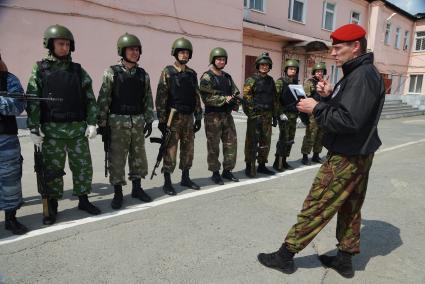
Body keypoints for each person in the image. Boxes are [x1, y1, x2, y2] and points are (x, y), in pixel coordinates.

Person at [257, 24, 385, 278]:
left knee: (317, 203)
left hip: (347, 155)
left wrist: (316, 107)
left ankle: (285, 256)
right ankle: (345, 260)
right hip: (358, 152)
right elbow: (350, 110)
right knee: (350, 206)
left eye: (338, 48)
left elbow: (349, 121)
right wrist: (329, 96)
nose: (334, 53)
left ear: (356, 46)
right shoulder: (359, 73)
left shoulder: (361, 76)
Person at [26, 24, 101, 225]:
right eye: (61, 44)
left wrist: (92, 123)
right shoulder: (40, 69)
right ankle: (52, 204)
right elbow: (33, 98)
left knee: (83, 167)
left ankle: (83, 200)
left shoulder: (77, 70)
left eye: (67, 44)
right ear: (50, 45)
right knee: (53, 171)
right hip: (52, 131)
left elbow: (89, 98)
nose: (65, 48)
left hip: (77, 129)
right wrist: (33, 127)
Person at [97, 33, 154, 209]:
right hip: (117, 122)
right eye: (131, 49)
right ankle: (118, 193)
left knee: (138, 157)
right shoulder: (111, 72)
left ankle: (137, 188)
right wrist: (102, 124)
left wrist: (149, 120)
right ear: (122, 51)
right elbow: (104, 98)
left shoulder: (143, 74)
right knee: (117, 159)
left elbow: (147, 98)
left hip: (137, 121)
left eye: (137, 49)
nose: (134, 52)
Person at [155, 37, 203, 195]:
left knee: (188, 150)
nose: (184, 55)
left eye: (187, 52)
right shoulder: (167, 72)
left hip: (188, 118)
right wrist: (162, 120)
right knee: (171, 151)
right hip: (172, 118)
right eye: (181, 52)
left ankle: (185, 177)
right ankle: (167, 181)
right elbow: (161, 97)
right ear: (175, 53)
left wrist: (199, 116)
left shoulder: (192, 74)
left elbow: (196, 96)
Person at [199, 47, 240, 185]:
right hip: (213, 116)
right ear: (213, 60)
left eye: (223, 59)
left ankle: (227, 171)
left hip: (227, 115)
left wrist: (235, 102)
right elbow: (206, 97)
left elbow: (235, 92)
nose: (221, 61)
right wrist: (224, 99)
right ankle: (215, 172)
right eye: (219, 59)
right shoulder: (207, 77)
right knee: (213, 146)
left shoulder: (227, 77)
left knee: (231, 144)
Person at [0, 53, 28, 235]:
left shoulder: (9, 79)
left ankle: (10, 219)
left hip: (6, 139)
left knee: (10, 182)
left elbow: (19, 105)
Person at [242, 52, 278, 178]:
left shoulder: (271, 81)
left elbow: (274, 98)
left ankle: (262, 165)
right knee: (252, 142)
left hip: (267, 115)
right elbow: (246, 98)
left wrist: (274, 115)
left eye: (267, 65)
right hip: (255, 115)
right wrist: (252, 114)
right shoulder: (251, 80)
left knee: (265, 141)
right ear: (258, 65)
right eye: (262, 64)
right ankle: (249, 166)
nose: (264, 66)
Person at [273, 59, 300, 172]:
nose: (292, 71)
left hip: (293, 114)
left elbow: (299, 99)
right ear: (286, 70)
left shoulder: (296, 84)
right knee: (283, 138)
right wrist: (280, 113)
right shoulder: (280, 82)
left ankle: (284, 160)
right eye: (290, 69)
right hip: (284, 114)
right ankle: (278, 162)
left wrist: (299, 114)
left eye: (294, 69)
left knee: (290, 139)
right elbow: (275, 99)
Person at [300, 62, 326, 165]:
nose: (320, 73)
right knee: (310, 134)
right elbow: (306, 97)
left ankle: (316, 155)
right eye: (318, 71)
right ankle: (305, 156)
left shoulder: (324, 82)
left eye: (321, 71)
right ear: (314, 72)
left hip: (322, 111)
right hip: (313, 112)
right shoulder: (309, 82)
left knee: (320, 135)